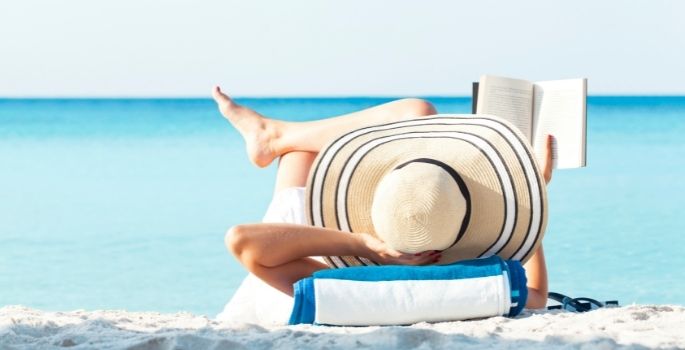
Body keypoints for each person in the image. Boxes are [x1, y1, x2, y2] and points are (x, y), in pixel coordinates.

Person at [212, 86, 553, 318]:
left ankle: (273, 136)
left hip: (306, 244)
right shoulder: (471, 285)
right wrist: (532, 194)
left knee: (414, 112)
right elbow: (535, 298)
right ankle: (273, 137)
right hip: (342, 244)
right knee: (416, 112)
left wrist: (365, 245)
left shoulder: (350, 287)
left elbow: (243, 241)